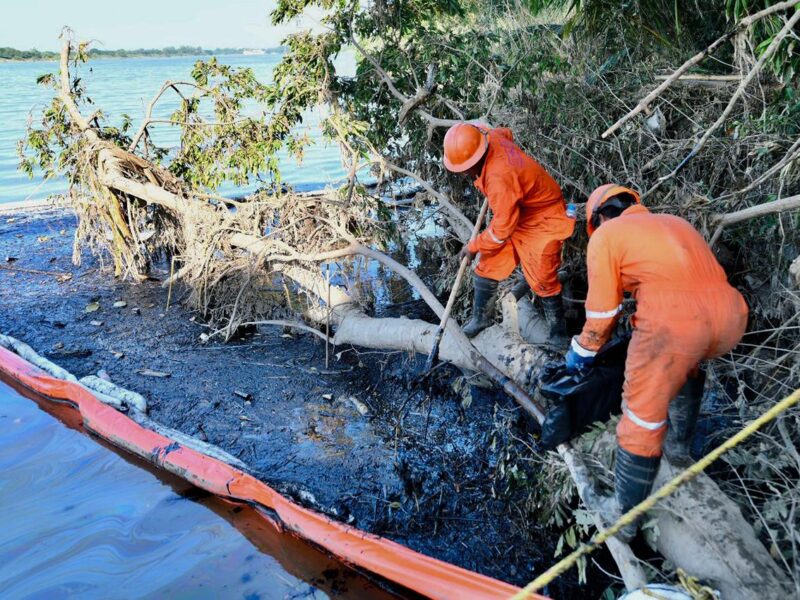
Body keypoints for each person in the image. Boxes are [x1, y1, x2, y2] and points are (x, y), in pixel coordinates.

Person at [565, 183, 748, 541]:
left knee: (640, 419)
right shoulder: (676, 222)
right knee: (687, 368)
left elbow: (603, 313)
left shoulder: (606, 236)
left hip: (674, 324)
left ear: (601, 217)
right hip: (731, 317)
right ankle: (679, 452)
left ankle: (625, 520)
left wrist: (581, 353)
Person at [442, 122, 575, 346]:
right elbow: (506, 133)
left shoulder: (499, 178)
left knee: (543, 279)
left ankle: (558, 336)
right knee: (488, 266)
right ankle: (481, 319)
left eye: (464, 169)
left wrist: (473, 246)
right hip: (518, 210)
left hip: (543, 217)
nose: (464, 173)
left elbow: (501, 231)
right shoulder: (488, 134)